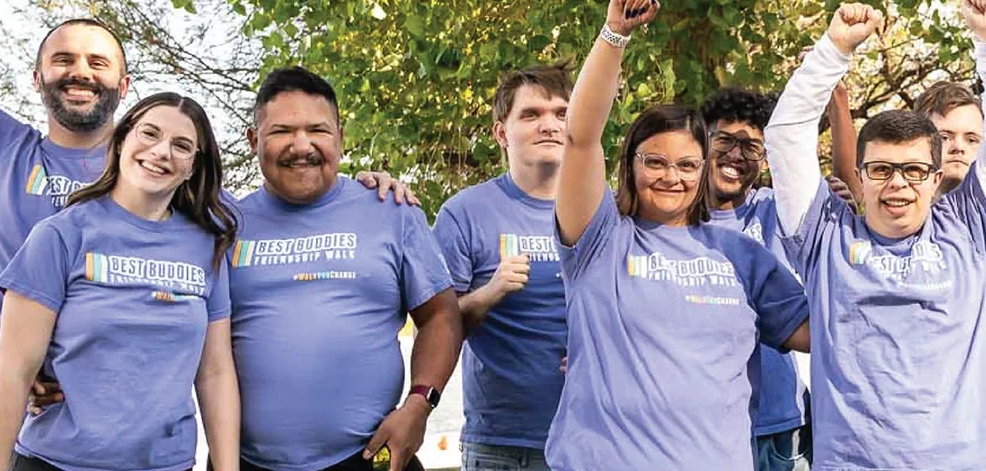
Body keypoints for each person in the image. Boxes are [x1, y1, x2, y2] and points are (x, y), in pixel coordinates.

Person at [0, 4, 415, 464]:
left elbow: (282, 206)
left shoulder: (190, 208)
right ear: (36, 74)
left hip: (150, 449)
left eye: (99, 62)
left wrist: (361, 189)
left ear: (124, 84)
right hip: (21, 419)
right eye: (63, 59)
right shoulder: (0, 149)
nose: (80, 72)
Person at [765, 1, 986, 467]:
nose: (898, 183)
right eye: (881, 169)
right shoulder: (824, 235)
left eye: (914, 170)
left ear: (937, 178)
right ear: (860, 173)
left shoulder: (969, 229)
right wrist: (833, 48)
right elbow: (786, 136)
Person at [541, 0, 814, 467]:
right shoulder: (599, 239)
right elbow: (580, 137)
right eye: (656, 162)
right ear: (631, 164)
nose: (672, 177)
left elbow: (824, 334)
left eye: (687, 165)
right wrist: (614, 35)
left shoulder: (740, 254)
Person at [0, 92, 241, 471]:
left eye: (182, 145)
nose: (162, 151)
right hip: (57, 462)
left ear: (194, 167)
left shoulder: (206, 246)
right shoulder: (61, 235)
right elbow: (13, 376)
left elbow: (215, 372)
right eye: (149, 134)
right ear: (122, 140)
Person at [228, 67, 463, 471]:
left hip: (371, 457)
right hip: (247, 462)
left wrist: (420, 405)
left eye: (317, 130)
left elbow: (441, 316)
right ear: (253, 140)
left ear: (340, 136)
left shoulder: (391, 211)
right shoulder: (222, 226)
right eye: (282, 131)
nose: (301, 146)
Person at [433, 64, 577, 471]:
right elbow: (435, 326)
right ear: (501, 132)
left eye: (561, 113)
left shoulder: (604, 210)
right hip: (501, 443)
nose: (549, 125)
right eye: (531, 115)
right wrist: (490, 292)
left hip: (593, 430)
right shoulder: (464, 213)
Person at [697, 86, 811, 471]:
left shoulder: (775, 209)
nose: (735, 154)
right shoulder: (671, 219)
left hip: (781, 421)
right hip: (704, 424)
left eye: (751, 147)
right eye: (725, 140)